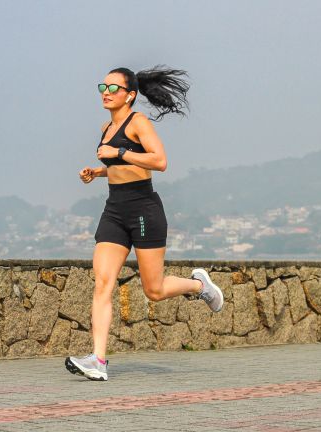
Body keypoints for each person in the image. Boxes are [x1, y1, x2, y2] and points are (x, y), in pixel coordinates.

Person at [65, 66, 224, 381]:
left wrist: (119, 152)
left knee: (154, 289)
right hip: (114, 210)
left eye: (113, 88)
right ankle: (98, 360)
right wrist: (97, 172)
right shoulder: (105, 128)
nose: (106, 93)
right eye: (103, 87)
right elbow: (120, 167)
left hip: (143, 208)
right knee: (102, 283)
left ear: (130, 95)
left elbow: (159, 161)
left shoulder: (138, 122)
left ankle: (198, 285)